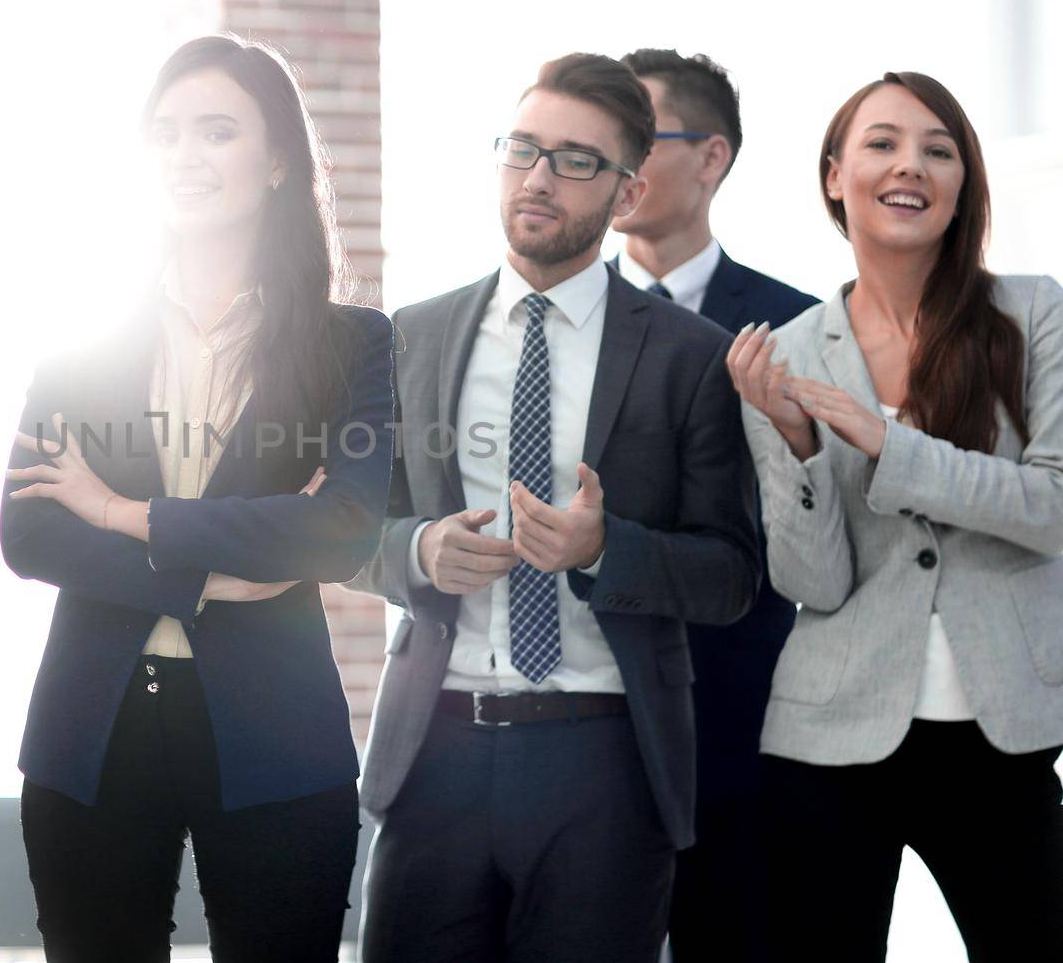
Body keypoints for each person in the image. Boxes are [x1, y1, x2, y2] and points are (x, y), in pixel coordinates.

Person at [350, 53, 759, 963]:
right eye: (523, 149)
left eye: (576, 160)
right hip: (435, 753)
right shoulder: (407, 338)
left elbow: (731, 574)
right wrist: (416, 553)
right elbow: (342, 534)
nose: (538, 177)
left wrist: (606, 548)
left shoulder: (692, 357)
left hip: (605, 760)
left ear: (626, 190)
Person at [1, 34, 394, 962]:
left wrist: (123, 513)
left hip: (274, 734)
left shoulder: (352, 347)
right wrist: (216, 576)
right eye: (166, 133)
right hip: (91, 732)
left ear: (277, 162)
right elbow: (28, 533)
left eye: (217, 132)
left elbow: (338, 529)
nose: (185, 156)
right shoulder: (79, 344)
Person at [727, 71, 1063, 963]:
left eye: (938, 149)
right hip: (827, 736)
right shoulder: (789, 352)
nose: (909, 164)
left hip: (1006, 727)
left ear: (962, 187)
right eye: (882, 143)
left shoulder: (1035, 314)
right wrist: (799, 444)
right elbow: (813, 583)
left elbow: (1052, 507)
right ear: (836, 175)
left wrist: (884, 441)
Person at [610, 48, 817, 962]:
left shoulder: (800, 327)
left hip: (741, 725)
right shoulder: (547, 322)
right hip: (587, 714)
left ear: (712, 157)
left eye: (642, 137)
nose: (619, 161)